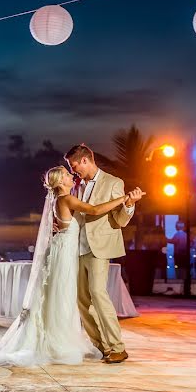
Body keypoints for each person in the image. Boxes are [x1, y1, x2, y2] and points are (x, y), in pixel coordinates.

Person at [0, 166, 143, 367]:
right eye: (68, 175)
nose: (72, 175)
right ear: (60, 182)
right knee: (66, 296)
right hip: (69, 252)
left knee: (64, 295)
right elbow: (94, 210)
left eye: (72, 170)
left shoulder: (60, 198)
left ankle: (99, 344)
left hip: (69, 250)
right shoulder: (66, 198)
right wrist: (124, 198)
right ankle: (64, 342)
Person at [65, 144, 142, 364]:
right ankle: (102, 346)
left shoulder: (114, 183)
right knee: (81, 300)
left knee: (98, 294)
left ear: (85, 161)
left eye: (74, 166)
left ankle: (117, 347)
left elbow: (120, 220)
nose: (73, 171)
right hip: (76, 248)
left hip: (99, 247)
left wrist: (129, 204)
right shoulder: (75, 186)